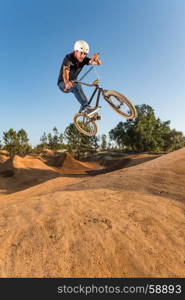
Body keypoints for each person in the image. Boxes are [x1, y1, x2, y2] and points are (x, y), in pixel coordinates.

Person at [57, 40, 102, 114]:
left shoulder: (84, 59)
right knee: (76, 87)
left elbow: (96, 63)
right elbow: (65, 71)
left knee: (78, 88)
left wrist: (96, 60)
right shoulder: (68, 58)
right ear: (76, 51)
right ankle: (86, 108)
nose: (83, 56)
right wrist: (67, 82)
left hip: (74, 81)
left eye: (85, 54)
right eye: (81, 53)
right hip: (63, 83)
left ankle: (89, 111)